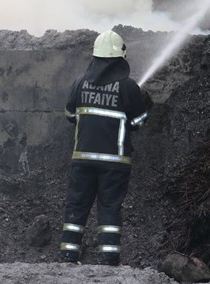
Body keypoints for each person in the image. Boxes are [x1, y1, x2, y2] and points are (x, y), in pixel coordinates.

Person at [58, 30, 148, 266]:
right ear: (120, 59)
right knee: (109, 208)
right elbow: (138, 122)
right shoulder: (128, 87)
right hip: (114, 162)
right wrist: (144, 103)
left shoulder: (80, 83)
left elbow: (70, 115)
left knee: (76, 205)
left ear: (95, 57)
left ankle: (68, 254)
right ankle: (109, 258)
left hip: (83, 159)